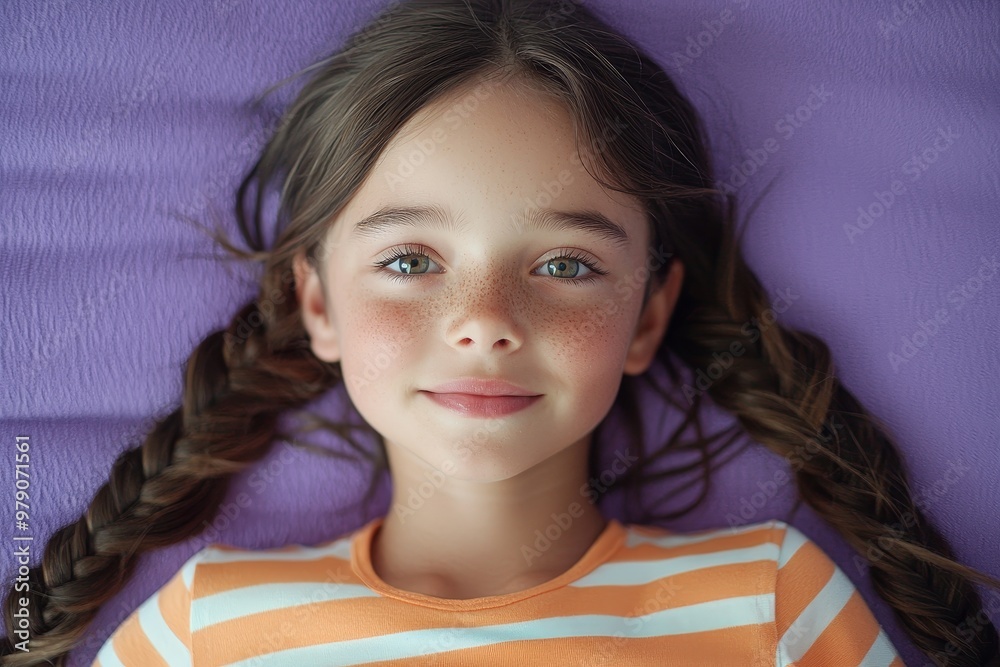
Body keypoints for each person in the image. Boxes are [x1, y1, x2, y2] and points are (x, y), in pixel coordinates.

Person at [3, 0, 999, 665]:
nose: (484, 323)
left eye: (566, 265)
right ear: (316, 302)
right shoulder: (204, 625)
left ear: (648, 313)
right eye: (409, 261)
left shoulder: (771, 604)